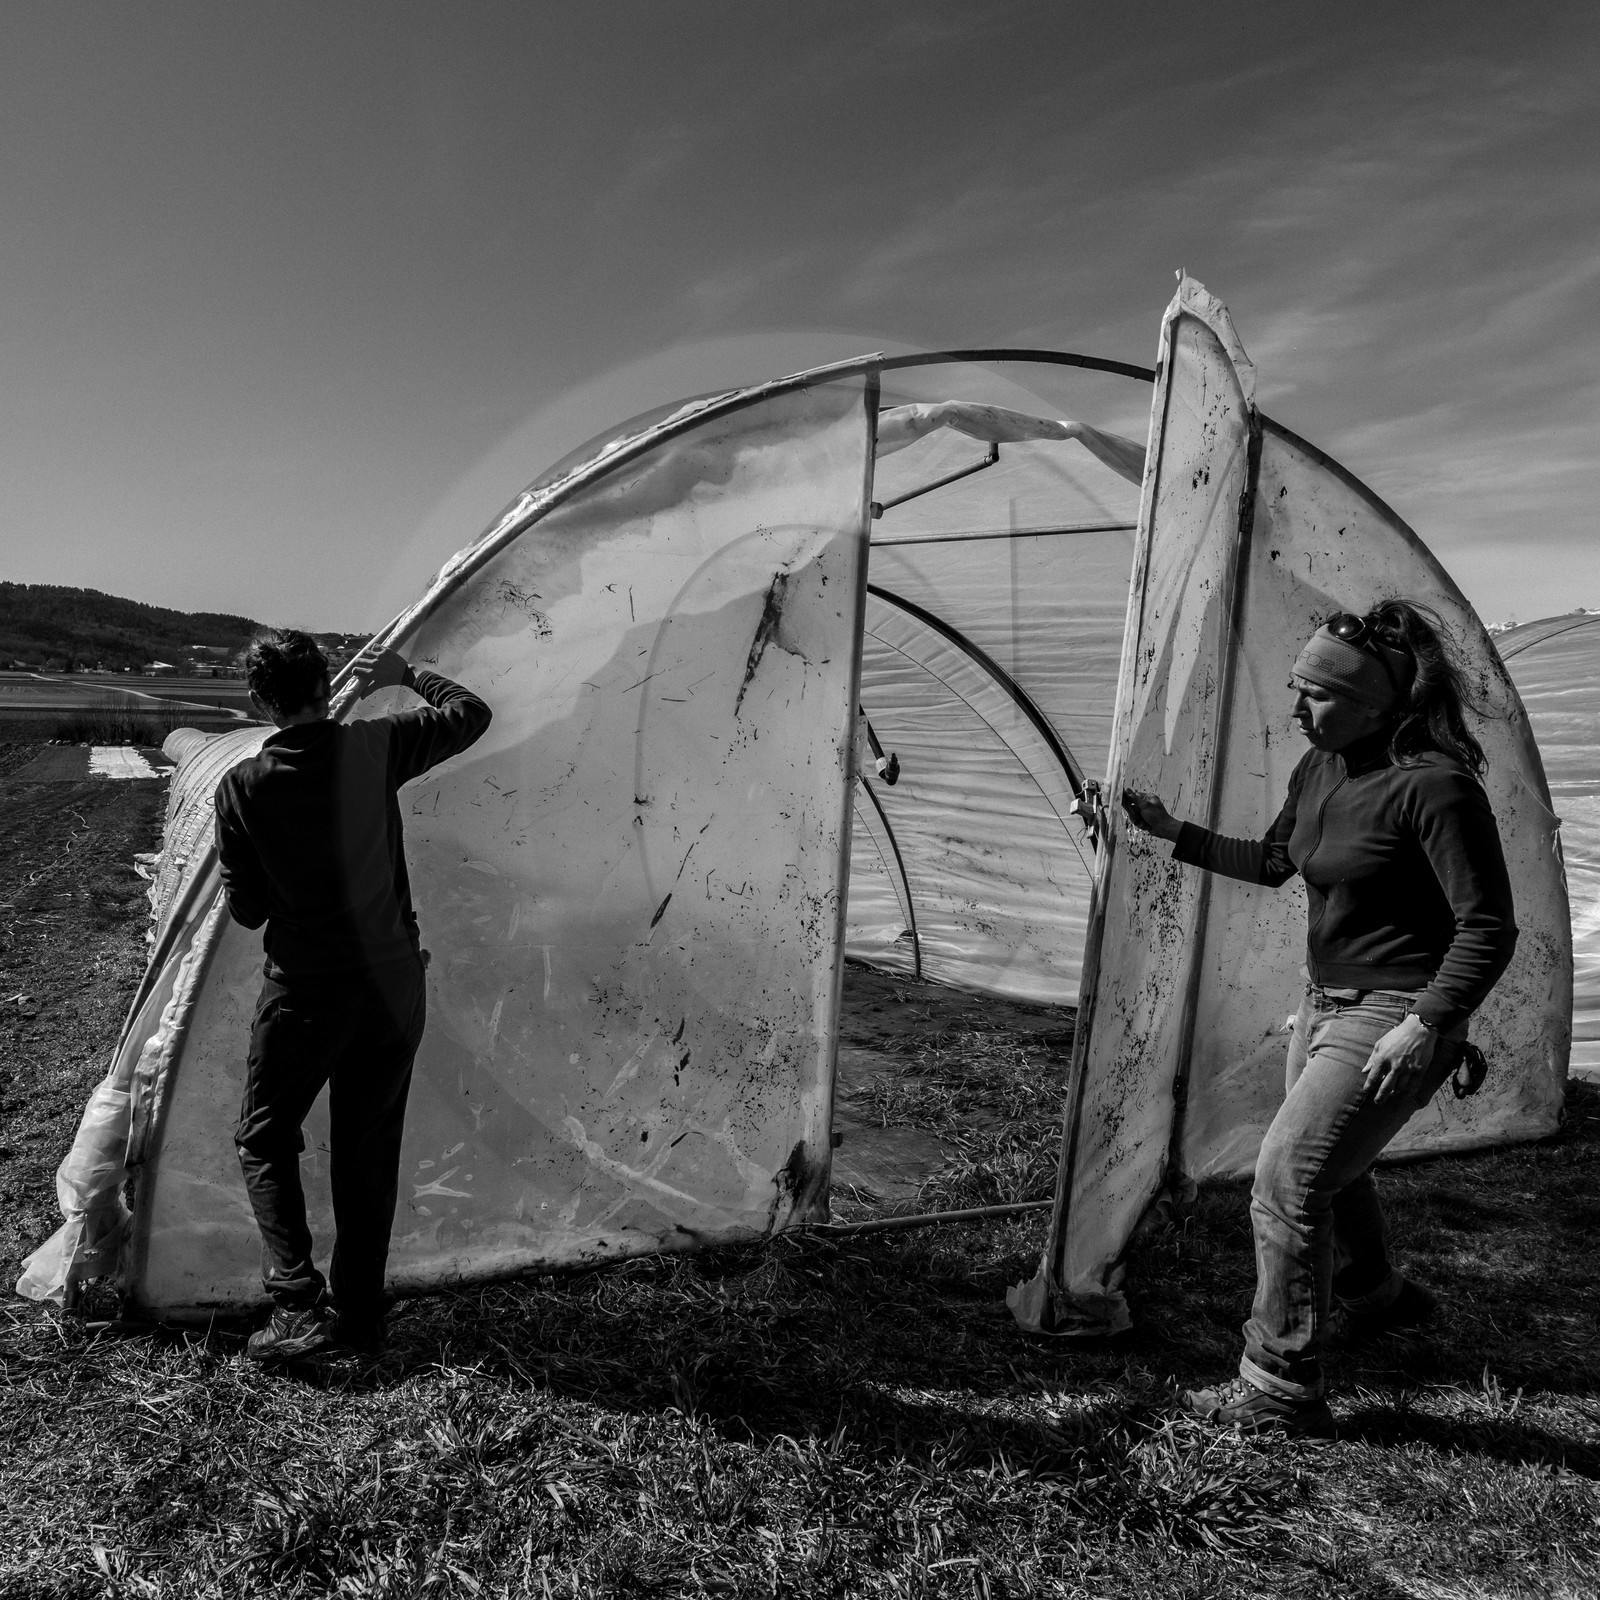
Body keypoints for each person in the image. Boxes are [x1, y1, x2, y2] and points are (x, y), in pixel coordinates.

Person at [1121, 600, 1517, 1435]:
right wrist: (1170, 831)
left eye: (1317, 696)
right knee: (1334, 1167)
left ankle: (1280, 1386)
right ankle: (1379, 1295)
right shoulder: (1321, 767)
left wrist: (1430, 1023)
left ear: (1381, 703)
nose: (1298, 710)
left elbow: (1488, 927)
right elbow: (1273, 861)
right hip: (1325, 1001)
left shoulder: (1435, 787)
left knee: (1288, 1182)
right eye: (1295, 689)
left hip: (1399, 1010)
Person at [215, 630, 491, 1362]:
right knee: (368, 1153)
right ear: (327, 683)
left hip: (306, 993)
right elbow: (471, 713)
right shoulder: (377, 746)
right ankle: (358, 1319)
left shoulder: (244, 787)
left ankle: (296, 1305)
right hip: (393, 987)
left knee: (265, 1138)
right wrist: (406, 675)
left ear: (261, 701)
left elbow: (246, 911)